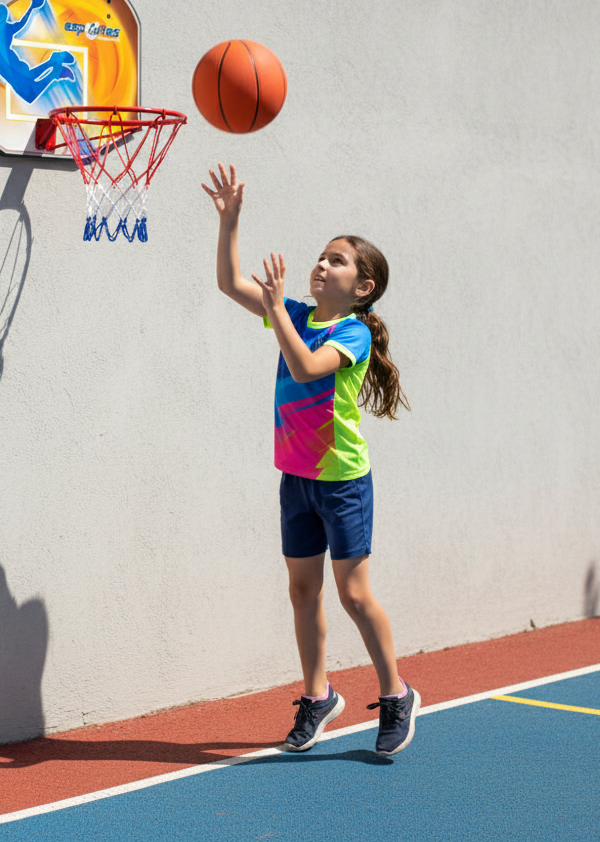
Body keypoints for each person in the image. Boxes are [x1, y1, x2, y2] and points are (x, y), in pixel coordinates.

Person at [201, 163, 419, 756]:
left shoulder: (352, 335)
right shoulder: (294, 313)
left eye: (338, 260)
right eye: (321, 256)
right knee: (302, 593)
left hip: (342, 483)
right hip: (296, 479)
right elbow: (228, 283)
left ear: (362, 286)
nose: (322, 264)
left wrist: (276, 310)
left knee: (353, 595)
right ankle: (319, 696)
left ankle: (396, 693)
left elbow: (304, 367)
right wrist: (230, 223)